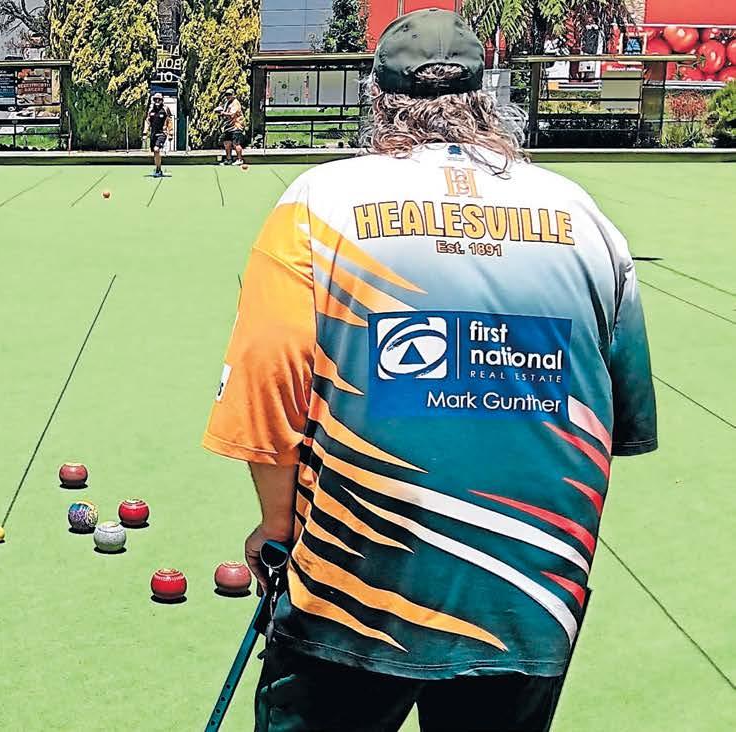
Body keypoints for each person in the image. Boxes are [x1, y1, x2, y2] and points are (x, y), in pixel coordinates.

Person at [201, 10, 656, 731]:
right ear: (485, 97)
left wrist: (276, 527)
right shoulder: (584, 216)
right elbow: (621, 418)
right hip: (534, 595)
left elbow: (268, 386)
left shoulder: (317, 202)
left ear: (378, 99)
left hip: (355, 589)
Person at [215, 89, 246, 166]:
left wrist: (222, 113)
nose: (228, 96)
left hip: (236, 126)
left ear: (233, 95)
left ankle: (239, 159)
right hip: (228, 127)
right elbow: (224, 109)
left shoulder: (235, 103)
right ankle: (228, 159)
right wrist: (218, 110)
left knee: (236, 144)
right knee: (227, 143)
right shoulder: (227, 103)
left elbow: (232, 114)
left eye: (229, 94)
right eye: (227, 95)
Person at [147, 93, 173, 177]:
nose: (157, 101)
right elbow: (147, 121)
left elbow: (169, 121)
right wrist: (145, 132)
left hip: (162, 133)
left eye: (159, 99)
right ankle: (158, 168)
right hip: (153, 134)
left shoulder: (165, 109)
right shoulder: (151, 110)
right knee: (155, 152)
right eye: (155, 99)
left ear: (162, 100)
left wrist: (171, 133)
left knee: (156, 149)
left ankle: (158, 170)